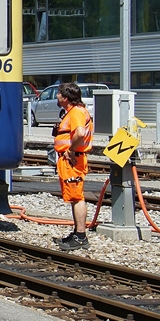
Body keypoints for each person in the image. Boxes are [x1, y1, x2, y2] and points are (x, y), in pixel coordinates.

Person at [53, 82, 93, 250]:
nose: (56, 96)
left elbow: (80, 133)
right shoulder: (74, 111)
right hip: (71, 158)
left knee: (77, 197)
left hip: (72, 160)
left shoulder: (76, 112)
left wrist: (70, 150)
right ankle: (78, 232)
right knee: (74, 197)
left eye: (59, 93)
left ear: (66, 98)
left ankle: (81, 236)